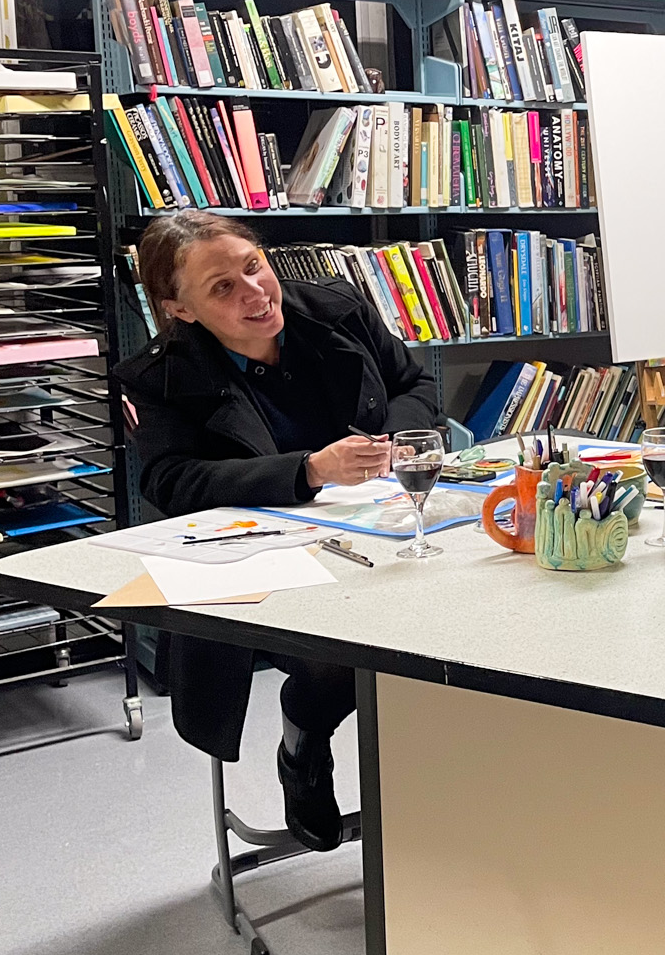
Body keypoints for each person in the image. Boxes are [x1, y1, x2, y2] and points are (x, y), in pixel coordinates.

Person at [113, 211, 442, 851]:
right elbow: (171, 481)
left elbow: (415, 381)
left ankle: (453, 789)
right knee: (344, 652)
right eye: (222, 288)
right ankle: (304, 744)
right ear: (180, 310)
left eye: (254, 266)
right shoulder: (157, 377)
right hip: (263, 564)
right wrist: (308, 470)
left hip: (376, 532)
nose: (256, 292)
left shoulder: (336, 310)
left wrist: (389, 441)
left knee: (453, 618)